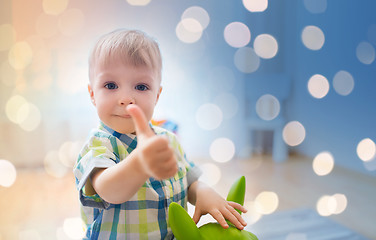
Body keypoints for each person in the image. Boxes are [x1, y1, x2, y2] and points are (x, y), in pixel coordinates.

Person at [74, 29, 247, 239]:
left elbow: (188, 180)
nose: (126, 98)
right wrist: (140, 163)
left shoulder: (168, 140)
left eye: (141, 86)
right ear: (92, 94)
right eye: (111, 85)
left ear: (157, 95)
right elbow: (109, 190)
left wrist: (202, 192)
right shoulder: (99, 145)